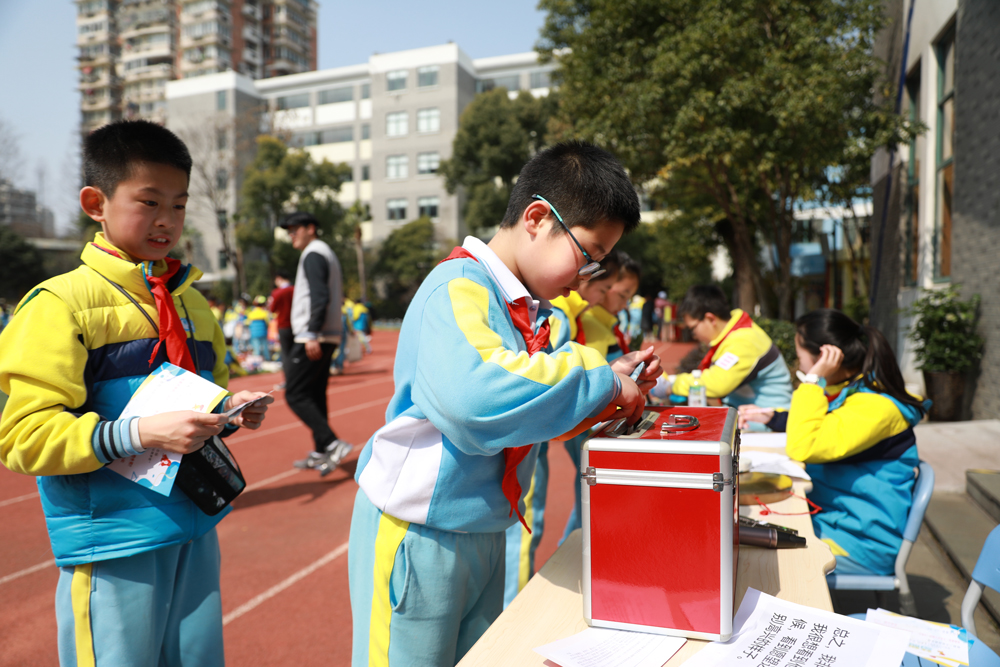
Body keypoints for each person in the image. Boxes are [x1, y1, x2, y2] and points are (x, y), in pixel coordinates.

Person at [348, 141, 660, 667]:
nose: (583, 280)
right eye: (587, 257)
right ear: (537, 218)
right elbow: (475, 400)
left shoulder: (537, 313)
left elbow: (532, 416)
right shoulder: (456, 286)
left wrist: (610, 388)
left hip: (486, 528)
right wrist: (599, 380)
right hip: (419, 531)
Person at [0, 120, 273, 667]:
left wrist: (228, 408)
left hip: (196, 524)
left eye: (179, 204)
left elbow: (204, 391)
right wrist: (140, 433)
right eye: (149, 202)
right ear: (95, 203)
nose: (166, 219)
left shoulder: (193, 304)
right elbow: (23, 437)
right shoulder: (59, 305)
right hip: (112, 540)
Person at [738, 309, 929, 576]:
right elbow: (828, 423)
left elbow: (804, 446)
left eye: (801, 358)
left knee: (755, 560)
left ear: (824, 358)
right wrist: (774, 418)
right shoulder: (860, 392)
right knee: (752, 536)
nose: (799, 366)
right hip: (837, 519)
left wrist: (813, 381)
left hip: (861, 542)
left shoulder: (876, 407)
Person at [502, 251, 625, 608]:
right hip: (524, 440)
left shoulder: (563, 313)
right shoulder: (555, 315)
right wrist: (608, 386)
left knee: (528, 523)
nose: (604, 296)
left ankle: (513, 604)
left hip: (532, 436)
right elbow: (546, 385)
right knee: (523, 528)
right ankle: (511, 611)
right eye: (603, 288)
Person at [281, 211, 353, 476]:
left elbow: (319, 295)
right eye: (288, 231)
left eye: (295, 229)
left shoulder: (313, 253)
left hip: (315, 335)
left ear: (311, 228)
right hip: (327, 333)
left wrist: (311, 332)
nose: (291, 234)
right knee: (314, 394)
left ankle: (332, 443)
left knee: (295, 393)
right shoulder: (325, 252)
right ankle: (322, 450)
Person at [654, 285, 792, 417]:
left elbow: (716, 384)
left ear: (710, 319)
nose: (694, 336)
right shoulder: (734, 335)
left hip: (769, 424)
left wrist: (671, 385)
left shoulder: (744, 341)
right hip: (752, 418)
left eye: (693, 329)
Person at [269, 271, 294, 386]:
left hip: (284, 326)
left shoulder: (277, 292)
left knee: (286, 354)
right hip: (298, 326)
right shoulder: (296, 289)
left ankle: (289, 381)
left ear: (279, 278)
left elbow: (272, 309)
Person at [246, 295, 271, 359]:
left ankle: (257, 360)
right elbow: (268, 322)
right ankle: (267, 359)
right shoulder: (265, 313)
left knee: (256, 348)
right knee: (265, 348)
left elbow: (247, 322)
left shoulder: (251, 313)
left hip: (254, 334)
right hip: (263, 333)